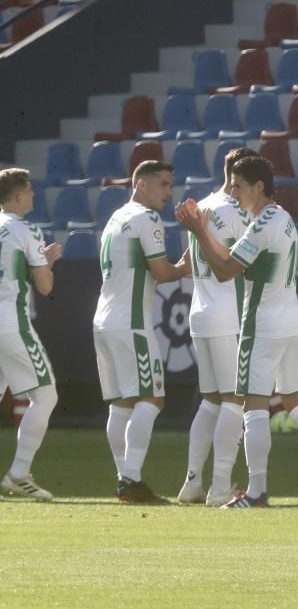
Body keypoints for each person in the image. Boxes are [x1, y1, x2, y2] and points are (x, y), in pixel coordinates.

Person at [176, 156, 298, 509]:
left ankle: (256, 492)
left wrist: (199, 232)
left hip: (261, 325)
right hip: (290, 323)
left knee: (251, 407)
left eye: (238, 185)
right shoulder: (283, 219)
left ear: (258, 187)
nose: (233, 192)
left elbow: (224, 270)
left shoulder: (260, 225)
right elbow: (231, 258)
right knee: (297, 401)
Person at [94, 160, 191, 503]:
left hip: (104, 320)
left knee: (121, 405)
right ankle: (131, 479)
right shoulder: (146, 218)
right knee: (152, 399)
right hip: (131, 321)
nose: (168, 192)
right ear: (141, 184)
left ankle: (125, 479)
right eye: (163, 184)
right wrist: (186, 265)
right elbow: (163, 273)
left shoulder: (116, 218)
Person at [176, 147, 253, 507]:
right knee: (234, 401)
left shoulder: (203, 205)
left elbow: (191, 261)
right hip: (229, 314)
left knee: (210, 401)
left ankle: (192, 481)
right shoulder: (238, 211)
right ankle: (220, 486)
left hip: (201, 312)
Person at [0, 168, 62, 501]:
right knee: (46, 396)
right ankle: (19, 473)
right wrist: (47, 265)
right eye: (30, 190)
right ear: (18, 196)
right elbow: (44, 285)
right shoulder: (27, 230)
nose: (35, 195)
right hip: (10, 322)